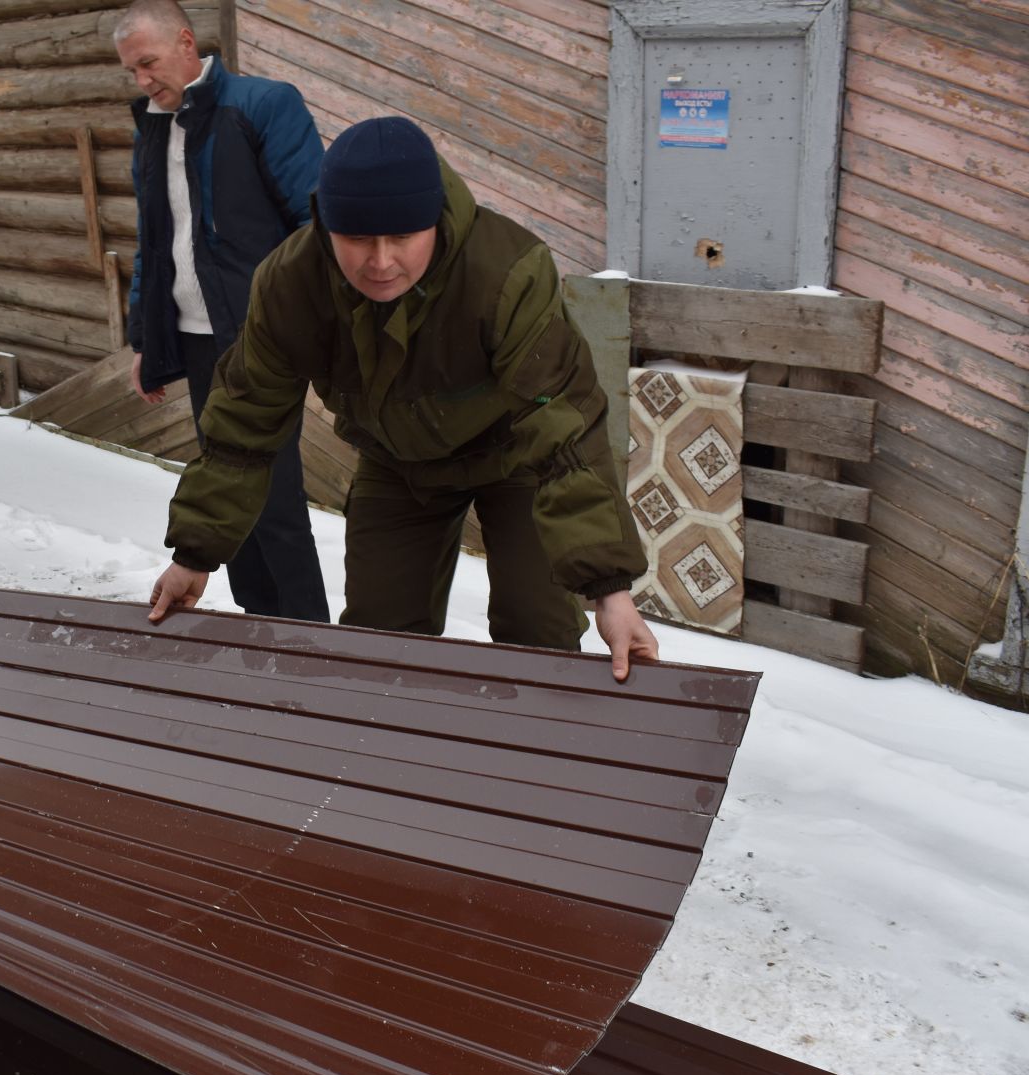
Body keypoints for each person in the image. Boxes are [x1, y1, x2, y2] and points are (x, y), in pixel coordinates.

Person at [147, 117, 660, 681]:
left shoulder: (507, 273)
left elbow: (562, 427)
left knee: (537, 633)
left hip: (519, 462)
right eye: (359, 238)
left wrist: (609, 588)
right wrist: (194, 554)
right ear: (326, 225)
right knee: (379, 639)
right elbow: (244, 426)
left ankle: (533, 759)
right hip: (399, 465)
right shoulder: (291, 284)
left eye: (402, 237)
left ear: (435, 222)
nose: (381, 261)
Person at [116, 0, 329, 623]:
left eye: (149, 63)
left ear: (187, 43)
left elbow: (313, 221)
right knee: (223, 486)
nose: (142, 80)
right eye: (131, 70)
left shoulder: (262, 105)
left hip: (259, 336)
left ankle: (308, 635)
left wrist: (298, 321)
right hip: (197, 336)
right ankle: (257, 624)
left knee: (276, 496)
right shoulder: (153, 127)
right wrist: (143, 339)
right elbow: (152, 241)